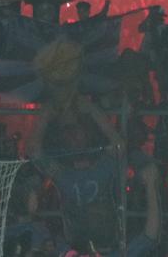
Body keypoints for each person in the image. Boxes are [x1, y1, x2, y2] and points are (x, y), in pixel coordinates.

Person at [31, 93, 125, 254]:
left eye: (76, 130)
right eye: (67, 131)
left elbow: (119, 146)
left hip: (107, 246)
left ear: (86, 132)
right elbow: (34, 153)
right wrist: (45, 116)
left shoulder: (101, 167)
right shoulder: (63, 174)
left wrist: (92, 110)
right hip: (77, 248)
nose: (72, 136)